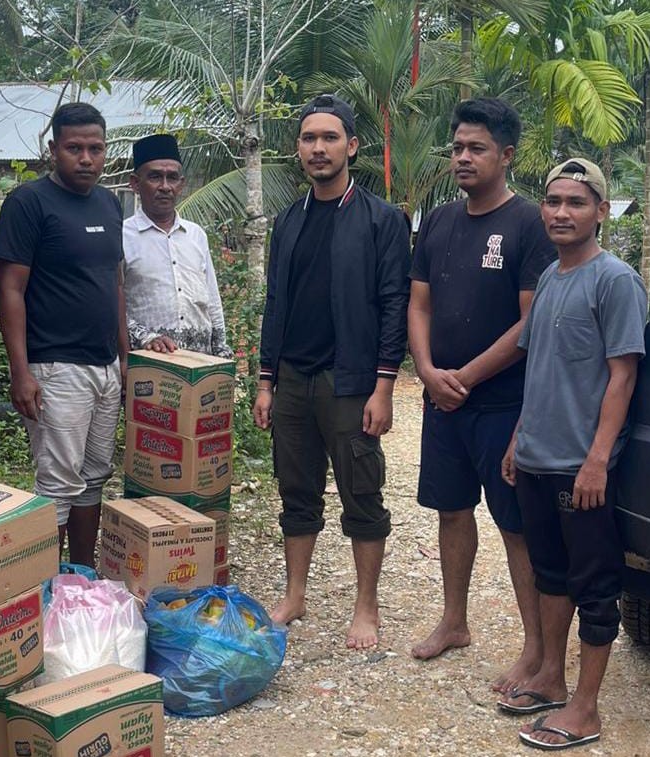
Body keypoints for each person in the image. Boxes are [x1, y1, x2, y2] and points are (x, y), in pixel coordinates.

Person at [408, 98, 558, 696]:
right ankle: (454, 620)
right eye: (457, 147)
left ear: (507, 155)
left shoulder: (528, 225)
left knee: (516, 526)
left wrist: (465, 377)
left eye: (477, 148)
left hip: (502, 405)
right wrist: (426, 370)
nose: (463, 158)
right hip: (442, 400)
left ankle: (535, 648)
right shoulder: (439, 221)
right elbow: (419, 304)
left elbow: (530, 323)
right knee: (451, 510)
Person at [253, 94, 410, 649]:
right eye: (309, 138)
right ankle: (294, 594)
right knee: (296, 491)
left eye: (329, 137)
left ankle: (366, 606)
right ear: (298, 148)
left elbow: (394, 304)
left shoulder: (381, 220)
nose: (318, 148)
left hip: (350, 380)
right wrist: (266, 381)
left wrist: (383, 386)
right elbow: (276, 302)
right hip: (293, 378)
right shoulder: (289, 220)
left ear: (352, 146)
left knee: (361, 492)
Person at [500, 158, 647, 750]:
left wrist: (597, 460)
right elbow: (538, 368)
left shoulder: (615, 280)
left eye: (576, 203)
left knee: (594, 583)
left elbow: (623, 376)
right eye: (553, 201)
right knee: (551, 575)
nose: (562, 212)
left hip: (580, 466)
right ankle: (551, 679)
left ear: (601, 211)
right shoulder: (550, 277)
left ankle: (586, 708)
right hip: (537, 458)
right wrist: (518, 438)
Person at [0, 102, 129, 565]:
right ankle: (47, 588)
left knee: (94, 477)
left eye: (95, 148)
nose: (86, 158)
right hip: (55, 367)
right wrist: (21, 372)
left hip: (104, 366)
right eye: (74, 148)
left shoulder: (109, 203)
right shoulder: (28, 203)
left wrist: (124, 357)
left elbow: (114, 282)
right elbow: (10, 290)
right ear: (53, 150)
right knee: (58, 483)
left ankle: (81, 577)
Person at [122, 133, 232, 357]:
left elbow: (212, 300)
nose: (165, 186)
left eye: (172, 178)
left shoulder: (196, 235)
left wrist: (221, 351)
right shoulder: (122, 236)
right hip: (149, 364)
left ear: (181, 184)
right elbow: (111, 306)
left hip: (199, 362)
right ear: (135, 183)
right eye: (155, 177)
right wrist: (146, 338)